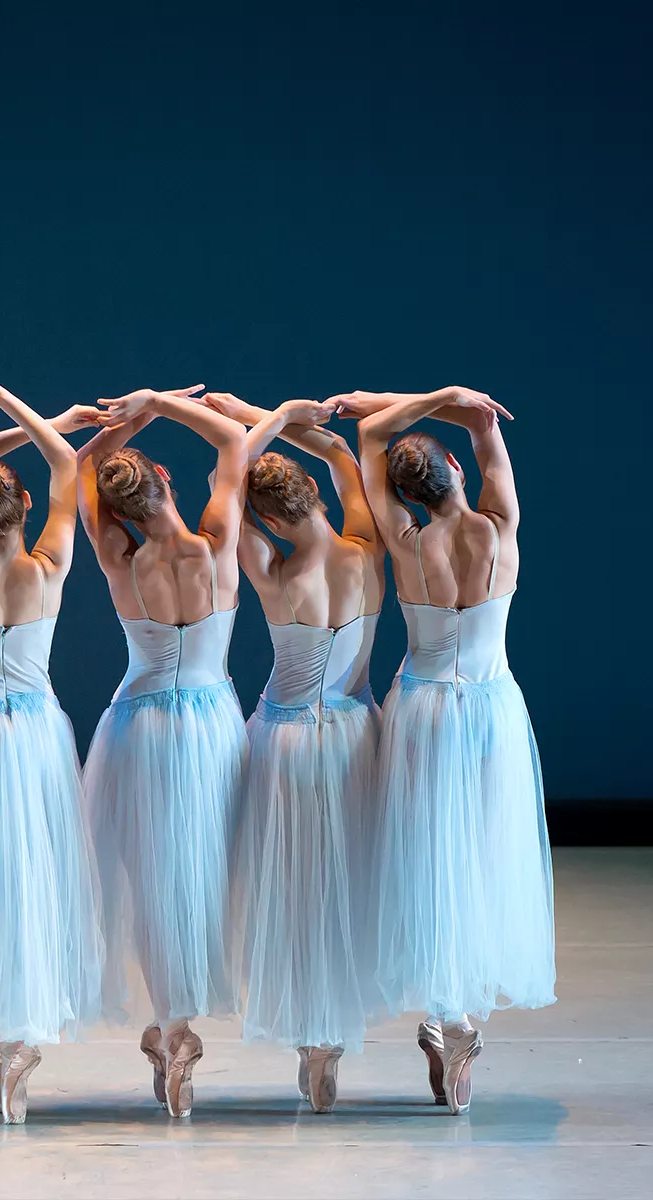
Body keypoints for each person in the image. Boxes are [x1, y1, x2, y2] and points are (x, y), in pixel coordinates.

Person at [341, 386, 554, 1116]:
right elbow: (482, 418)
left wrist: (397, 402)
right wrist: (450, 398)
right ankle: (457, 1017)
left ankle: (447, 1011)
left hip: (425, 711)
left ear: (403, 494)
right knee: (480, 852)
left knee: (430, 854)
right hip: (490, 709)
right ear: (458, 471)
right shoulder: (501, 527)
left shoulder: (405, 540)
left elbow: (370, 434)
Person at [0, 384, 109, 1124]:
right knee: (28, 885)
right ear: (26, 508)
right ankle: (14, 1044)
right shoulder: (49, 565)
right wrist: (47, 421)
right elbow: (67, 466)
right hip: (34, 737)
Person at [203, 393, 383, 1112]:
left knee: (298, 892)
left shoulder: (276, 573)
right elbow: (343, 455)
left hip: (289, 743)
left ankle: (313, 1044)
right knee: (340, 886)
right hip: (354, 737)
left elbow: (226, 494)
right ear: (313, 499)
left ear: (270, 519)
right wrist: (280, 415)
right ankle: (331, 1035)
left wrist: (257, 424)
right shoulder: (368, 551)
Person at [76, 384, 249, 1118]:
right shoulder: (215, 544)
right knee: (204, 870)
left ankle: (172, 1026)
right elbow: (236, 446)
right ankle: (181, 1024)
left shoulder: (119, 554)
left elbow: (80, 470)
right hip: (211, 722)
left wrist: (131, 416)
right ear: (171, 484)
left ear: (120, 508)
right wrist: (162, 402)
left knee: (150, 879)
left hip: (140, 724)